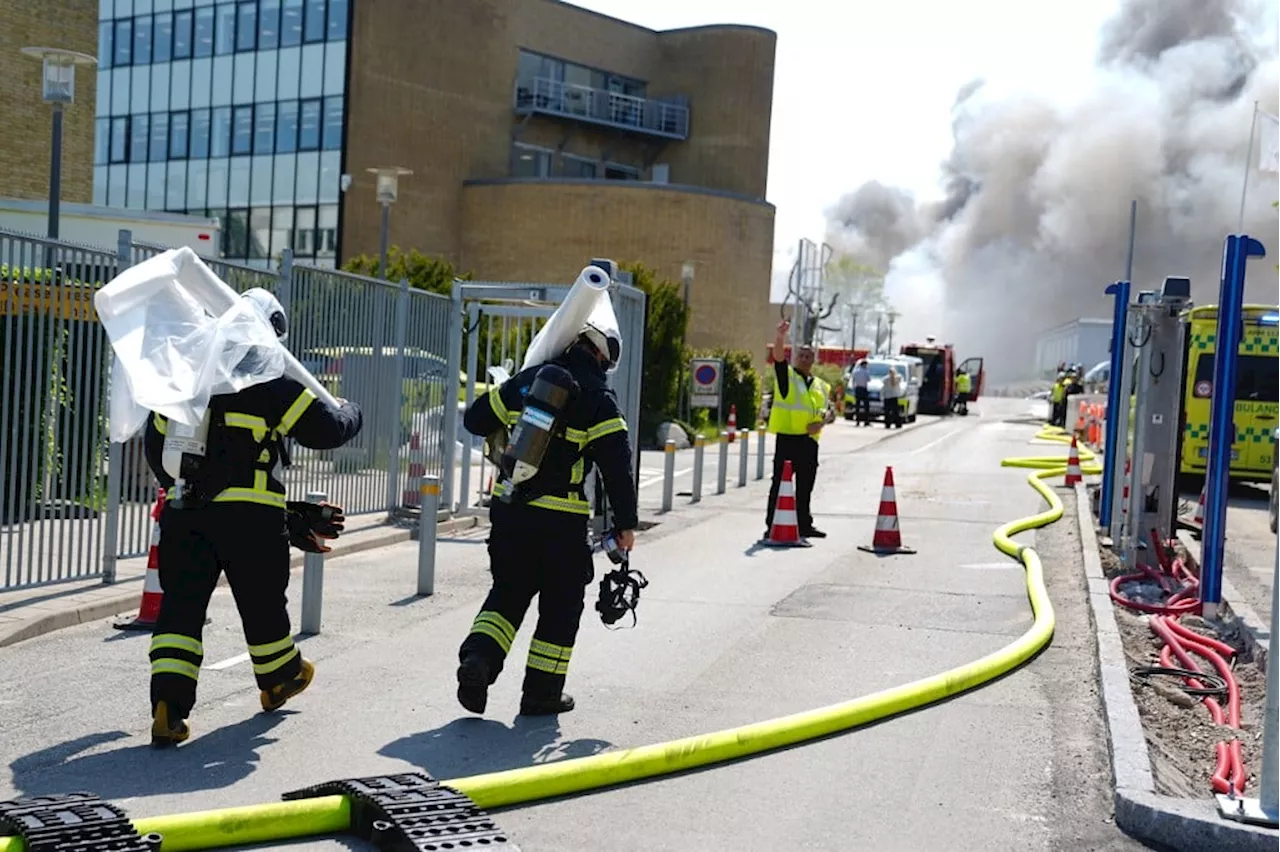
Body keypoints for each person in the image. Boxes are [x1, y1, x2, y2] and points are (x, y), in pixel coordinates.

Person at [142, 288, 364, 747]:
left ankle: (168, 705)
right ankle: (280, 678)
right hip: (252, 520)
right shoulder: (272, 385)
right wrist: (350, 411)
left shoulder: (189, 383)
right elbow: (326, 431)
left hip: (186, 516)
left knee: (180, 610)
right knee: (262, 605)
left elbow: (155, 452)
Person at [455, 315, 638, 717]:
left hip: (511, 512)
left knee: (507, 594)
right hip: (562, 522)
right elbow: (617, 466)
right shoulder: (599, 399)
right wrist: (626, 523)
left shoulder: (529, 381)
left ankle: (478, 662)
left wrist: (515, 389)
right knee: (560, 606)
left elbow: (474, 420)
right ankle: (542, 693)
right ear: (604, 355)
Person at [764, 319, 831, 540]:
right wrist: (781, 336)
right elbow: (778, 357)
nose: (803, 359)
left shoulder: (821, 385)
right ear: (795, 358)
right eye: (800, 355)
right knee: (779, 484)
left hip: (809, 442)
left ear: (813, 360)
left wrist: (821, 422)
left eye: (807, 356)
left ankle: (804, 525)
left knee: (805, 487)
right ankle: (772, 524)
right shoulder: (788, 377)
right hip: (788, 440)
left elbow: (829, 412)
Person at [849, 359, 872, 425]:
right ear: (864, 365)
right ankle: (866, 421)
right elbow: (869, 380)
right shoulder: (866, 371)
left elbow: (853, 380)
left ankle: (857, 421)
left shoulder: (856, 371)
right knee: (866, 406)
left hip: (857, 389)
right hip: (864, 389)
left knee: (857, 405)